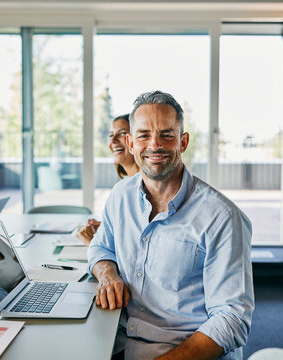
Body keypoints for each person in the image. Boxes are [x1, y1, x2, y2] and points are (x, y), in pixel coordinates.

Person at [88, 91, 254, 360]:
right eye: (143, 135)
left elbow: (232, 318)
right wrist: (108, 273)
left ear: (183, 141)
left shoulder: (222, 217)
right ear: (130, 143)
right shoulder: (120, 196)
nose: (155, 145)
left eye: (167, 134)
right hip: (120, 342)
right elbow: (100, 246)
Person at [77, 114, 139, 246]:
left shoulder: (146, 187)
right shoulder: (125, 185)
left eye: (122, 133)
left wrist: (93, 244)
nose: (114, 141)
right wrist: (111, 228)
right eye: (111, 135)